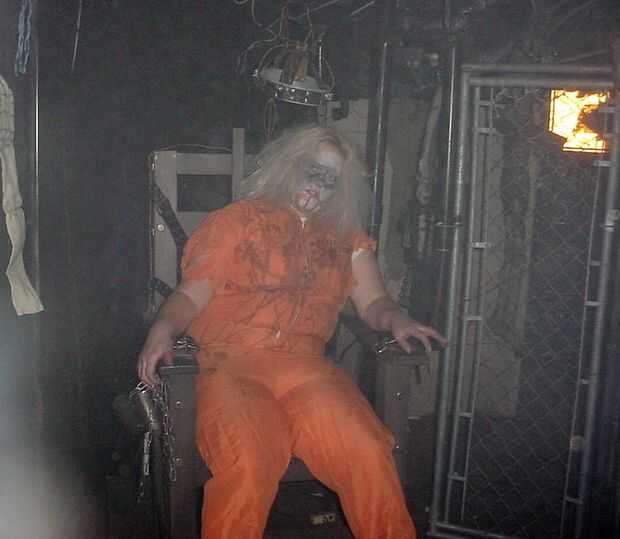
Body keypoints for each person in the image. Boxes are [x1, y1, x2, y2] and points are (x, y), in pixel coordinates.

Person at [137, 125, 446, 539]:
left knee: (367, 450)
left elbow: (374, 302)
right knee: (249, 460)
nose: (318, 185)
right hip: (230, 366)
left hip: (307, 370)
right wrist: (162, 329)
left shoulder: (345, 239)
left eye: (330, 178)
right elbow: (190, 295)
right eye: (311, 170)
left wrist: (396, 319)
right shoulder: (237, 222)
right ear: (288, 166)